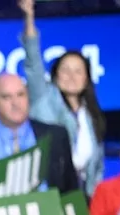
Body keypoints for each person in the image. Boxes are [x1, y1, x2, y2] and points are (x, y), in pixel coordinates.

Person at [18, 0, 105, 195]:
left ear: (87, 79)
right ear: (55, 75)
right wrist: (29, 16)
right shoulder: (43, 96)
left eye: (78, 71)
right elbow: (33, 59)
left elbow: (97, 167)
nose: (71, 77)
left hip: (83, 195)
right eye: (65, 70)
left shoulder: (90, 114)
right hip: (49, 190)